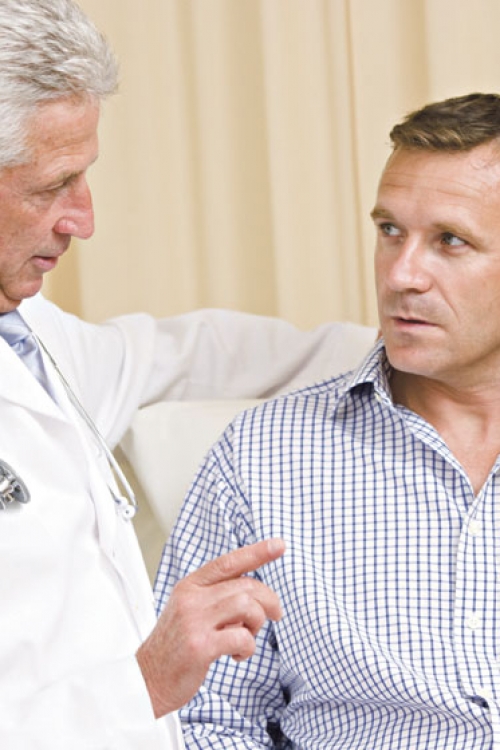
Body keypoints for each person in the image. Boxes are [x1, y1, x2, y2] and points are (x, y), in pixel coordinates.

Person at [0, 1, 376, 747]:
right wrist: (144, 683)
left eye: (85, 176)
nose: (83, 219)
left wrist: (399, 352)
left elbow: (190, 353)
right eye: (52, 185)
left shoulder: (34, 337)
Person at [155, 91, 500, 749]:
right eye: (390, 231)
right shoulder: (260, 458)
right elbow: (201, 720)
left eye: (449, 241)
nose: (402, 275)